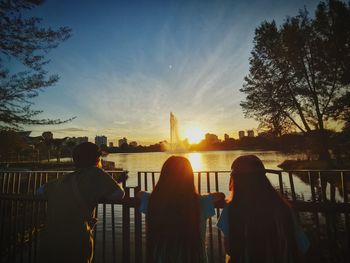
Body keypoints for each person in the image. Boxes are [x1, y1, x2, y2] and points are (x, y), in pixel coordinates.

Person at [38, 142, 125, 263]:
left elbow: (40, 191)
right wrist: (97, 194)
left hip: (49, 241)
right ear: (97, 159)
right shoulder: (96, 173)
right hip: (75, 242)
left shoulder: (63, 179)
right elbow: (119, 194)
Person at [217, 155, 309, 263]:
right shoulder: (283, 208)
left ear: (236, 181)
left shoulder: (232, 210)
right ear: (263, 179)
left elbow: (229, 249)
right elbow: (302, 246)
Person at [138, 156, 225, 263]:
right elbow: (220, 195)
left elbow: (140, 194)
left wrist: (156, 194)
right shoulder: (199, 202)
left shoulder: (153, 201)